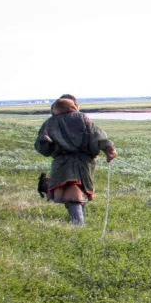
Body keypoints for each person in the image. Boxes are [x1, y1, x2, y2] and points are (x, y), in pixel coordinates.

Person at [34, 94, 117, 226]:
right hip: (83, 162)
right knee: (75, 191)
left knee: (72, 190)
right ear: (73, 106)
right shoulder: (82, 117)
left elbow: (42, 149)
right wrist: (109, 149)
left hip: (61, 162)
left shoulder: (49, 122)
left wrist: (44, 141)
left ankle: (77, 223)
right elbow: (97, 135)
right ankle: (79, 224)